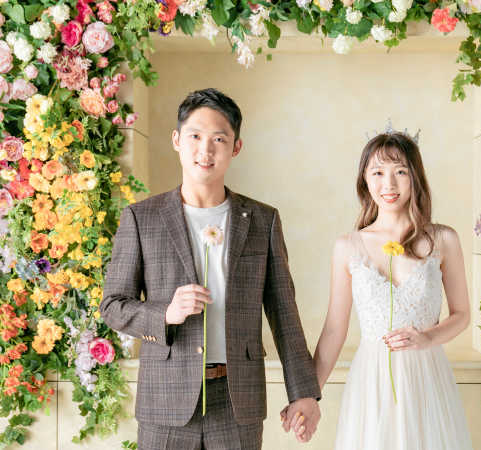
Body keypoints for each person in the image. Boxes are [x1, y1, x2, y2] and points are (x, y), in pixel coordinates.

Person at [100, 88, 321, 449]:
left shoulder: (262, 220)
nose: (206, 150)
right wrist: (166, 313)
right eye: (195, 136)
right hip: (165, 400)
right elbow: (112, 306)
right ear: (176, 140)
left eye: (219, 139)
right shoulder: (142, 218)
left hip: (237, 401)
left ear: (236, 147)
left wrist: (304, 393)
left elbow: (284, 312)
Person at [284, 130, 473, 449]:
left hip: (426, 377)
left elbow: (462, 314)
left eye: (400, 172)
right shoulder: (348, 246)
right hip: (372, 380)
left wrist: (427, 338)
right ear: (364, 180)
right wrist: (309, 396)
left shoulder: (443, 239)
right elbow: (334, 330)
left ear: (415, 177)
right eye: (378, 173)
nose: (389, 184)